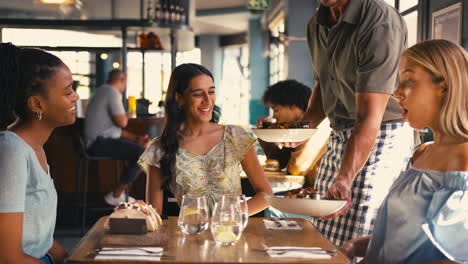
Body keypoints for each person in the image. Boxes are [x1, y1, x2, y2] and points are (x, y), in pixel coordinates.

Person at [340, 39, 468, 264]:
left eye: (408, 81)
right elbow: (405, 239)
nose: (396, 93)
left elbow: (456, 257)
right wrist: (355, 246)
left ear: (445, 86)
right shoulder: (422, 153)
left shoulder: (464, 161)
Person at [300, 0, 415, 246]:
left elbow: (369, 116)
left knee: (359, 238)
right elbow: (324, 85)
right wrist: (300, 130)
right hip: (339, 134)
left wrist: (345, 176)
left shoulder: (379, 21)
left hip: (382, 136)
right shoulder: (316, 24)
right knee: (321, 232)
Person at [138, 63, 273, 216]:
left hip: (230, 233)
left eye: (211, 92)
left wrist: (230, 214)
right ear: (179, 98)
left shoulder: (236, 137)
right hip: (189, 233)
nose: (208, 101)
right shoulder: (159, 148)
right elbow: (153, 215)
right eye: (197, 94)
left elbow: (266, 195)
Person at [0, 43, 77, 264]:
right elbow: (8, 257)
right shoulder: (11, 151)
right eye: (68, 91)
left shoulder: (35, 149)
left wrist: (70, 259)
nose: (76, 98)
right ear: (36, 104)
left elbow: (39, 238)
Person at [84, 69, 150, 206]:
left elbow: (112, 129)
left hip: (96, 142)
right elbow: (122, 122)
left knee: (137, 150)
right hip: (99, 143)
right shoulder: (111, 92)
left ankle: (122, 193)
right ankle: (117, 194)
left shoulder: (101, 90)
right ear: (122, 81)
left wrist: (135, 138)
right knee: (142, 153)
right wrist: (128, 113)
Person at [256, 79, 331, 185]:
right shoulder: (297, 129)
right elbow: (280, 162)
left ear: (293, 107)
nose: (273, 116)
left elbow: (296, 168)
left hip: (323, 194)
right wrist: (265, 135)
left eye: (276, 110)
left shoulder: (317, 127)